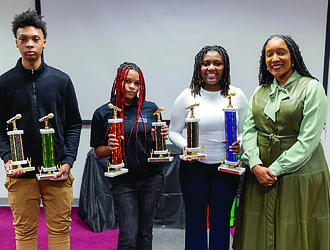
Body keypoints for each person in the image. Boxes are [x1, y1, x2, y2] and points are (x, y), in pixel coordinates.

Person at [233, 35, 330, 250]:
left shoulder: (312, 88)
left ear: (293, 58)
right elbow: (249, 131)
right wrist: (256, 165)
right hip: (259, 174)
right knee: (257, 230)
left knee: (293, 230)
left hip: (299, 174)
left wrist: (274, 170)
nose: (275, 58)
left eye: (281, 52)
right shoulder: (260, 91)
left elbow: (308, 140)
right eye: (269, 54)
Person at [0, 9, 82, 250]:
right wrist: (7, 158)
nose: (29, 44)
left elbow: (74, 124)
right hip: (20, 176)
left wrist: (67, 161)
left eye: (35, 39)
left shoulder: (61, 81)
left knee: (59, 230)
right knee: (24, 233)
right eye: (23, 39)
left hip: (56, 171)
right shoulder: (4, 84)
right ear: (16, 42)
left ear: (44, 42)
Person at [169, 45, 248, 250]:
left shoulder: (237, 95)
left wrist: (239, 141)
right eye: (206, 63)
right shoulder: (187, 96)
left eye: (217, 63)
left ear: (225, 67)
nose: (211, 68)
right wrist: (188, 146)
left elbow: (246, 130)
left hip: (226, 169)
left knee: (221, 223)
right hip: (194, 170)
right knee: (195, 223)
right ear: (199, 67)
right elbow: (173, 132)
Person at [90, 62, 168, 250]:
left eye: (137, 83)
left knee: (145, 233)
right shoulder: (103, 112)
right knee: (128, 237)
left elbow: (156, 145)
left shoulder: (151, 109)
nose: (132, 87)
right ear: (118, 81)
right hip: (123, 181)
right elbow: (98, 153)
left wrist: (159, 136)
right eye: (127, 81)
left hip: (151, 178)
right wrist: (109, 147)